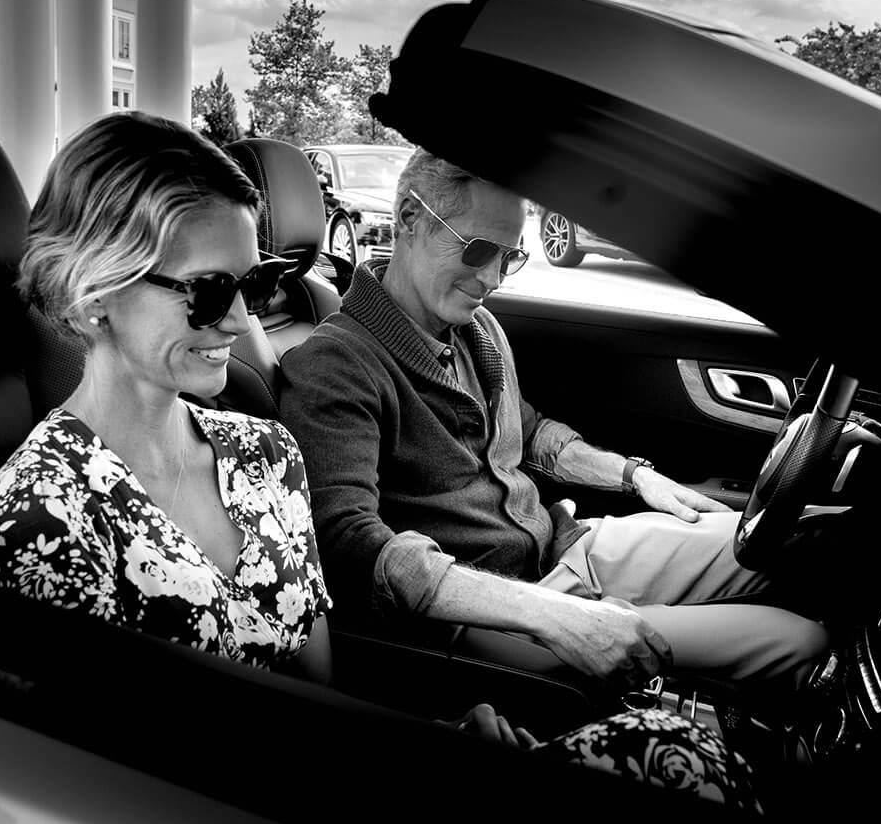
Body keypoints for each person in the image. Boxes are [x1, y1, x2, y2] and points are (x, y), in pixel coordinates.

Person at [0, 112, 760, 811]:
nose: (243, 323)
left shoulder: (260, 452)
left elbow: (322, 687)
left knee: (692, 750)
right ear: (92, 291)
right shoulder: (40, 517)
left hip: (347, 774)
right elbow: (117, 784)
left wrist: (435, 736)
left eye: (256, 283)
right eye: (209, 292)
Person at [278, 148, 830, 694]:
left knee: (791, 541)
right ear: (409, 219)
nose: (493, 278)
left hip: (562, 549)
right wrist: (553, 614)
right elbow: (346, 541)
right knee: (798, 641)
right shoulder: (336, 363)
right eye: (478, 250)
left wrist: (637, 478)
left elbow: (531, 430)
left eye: (509, 257)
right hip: (490, 612)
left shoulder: (478, 330)